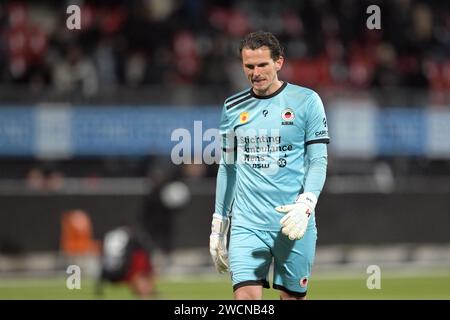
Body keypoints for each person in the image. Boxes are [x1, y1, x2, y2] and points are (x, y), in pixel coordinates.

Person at [209, 31, 329, 300]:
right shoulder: (232, 107)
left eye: (262, 64)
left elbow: (318, 160)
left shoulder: (307, 101)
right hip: (247, 225)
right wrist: (220, 223)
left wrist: (306, 204)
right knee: (246, 300)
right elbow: (227, 168)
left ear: (279, 62)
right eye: (249, 66)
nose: (255, 72)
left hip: (294, 222)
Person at [97, 225, 156, 299]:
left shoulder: (109, 236)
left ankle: (144, 289)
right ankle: (144, 291)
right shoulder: (131, 237)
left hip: (107, 274)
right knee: (141, 267)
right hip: (122, 272)